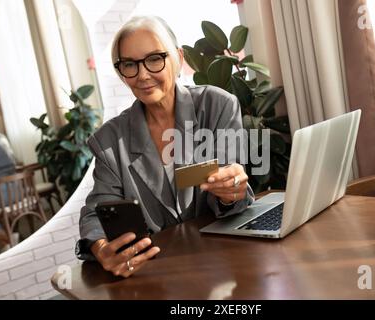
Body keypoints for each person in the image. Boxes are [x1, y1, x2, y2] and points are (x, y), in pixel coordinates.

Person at [76, 16, 255, 278]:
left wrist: (230, 191)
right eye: (130, 65)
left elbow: (234, 184)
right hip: (158, 274)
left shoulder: (217, 106)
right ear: (121, 73)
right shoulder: (109, 141)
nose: (143, 74)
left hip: (224, 262)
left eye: (155, 58)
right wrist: (101, 247)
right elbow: (95, 213)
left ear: (178, 59)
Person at [0, 128, 16, 245]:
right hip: (18, 190)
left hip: (0, 196)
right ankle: (8, 243)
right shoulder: (1, 137)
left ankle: (9, 239)